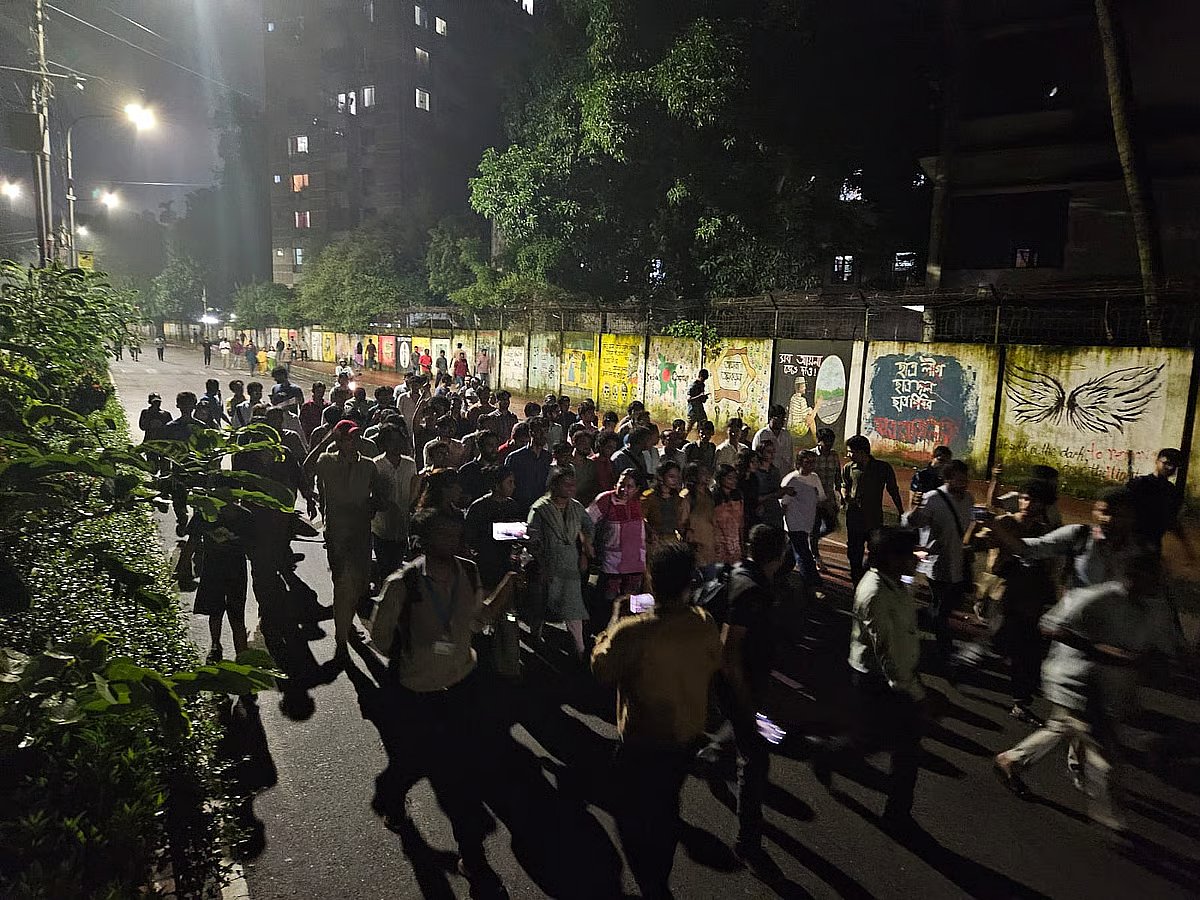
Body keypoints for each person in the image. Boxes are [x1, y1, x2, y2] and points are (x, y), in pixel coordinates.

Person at [370, 507, 510, 898]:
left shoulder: (469, 571)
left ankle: (472, 857)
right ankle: (392, 796)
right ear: (421, 540)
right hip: (418, 695)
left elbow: (477, 621)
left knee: (460, 779)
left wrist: (509, 588)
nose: (451, 541)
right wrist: (420, 647)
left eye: (455, 533)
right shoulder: (403, 584)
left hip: (463, 688)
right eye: (442, 535)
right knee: (417, 763)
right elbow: (380, 641)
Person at [993, 556, 1172, 831]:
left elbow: (1153, 650)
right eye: (1154, 577)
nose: (1160, 584)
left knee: (1062, 726)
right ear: (1134, 575)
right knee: (1104, 750)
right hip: (1074, 681)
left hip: (1104, 688)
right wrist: (1097, 650)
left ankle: (1011, 760)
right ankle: (1111, 818)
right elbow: (1050, 625)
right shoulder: (1098, 597)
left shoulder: (1152, 610)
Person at [590, 541, 722, 900]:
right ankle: (658, 879)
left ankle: (651, 884)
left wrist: (613, 624)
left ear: (651, 580)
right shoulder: (704, 622)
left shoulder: (632, 631)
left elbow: (602, 670)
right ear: (689, 585)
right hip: (684, 738)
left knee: (632, 814)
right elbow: (714, 661)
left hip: (641, 742)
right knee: (666, 805)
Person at [720, 524, 790, 866]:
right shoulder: (753, 591)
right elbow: (731, 648)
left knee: (740, 737)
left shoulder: (740, 573)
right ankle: (747, 839)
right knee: (755, 760)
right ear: (778, 555)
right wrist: (746, 701)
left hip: (736, 682)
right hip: (743, 683)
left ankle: (714, 750)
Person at [970, 480, 1057, 723]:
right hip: (1001, 596)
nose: (1027, 504)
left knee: (1027, 653)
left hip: (1029, 598)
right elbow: (975, 543)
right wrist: (981, 525)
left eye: (1033, 500)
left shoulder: (1044, 531)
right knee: (1005, 643)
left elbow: (1049, 565)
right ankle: (973, 655)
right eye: (1024, 498)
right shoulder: (1006, 523)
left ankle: (1020, 702)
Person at [304, 419, 387, 662]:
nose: (355, 441)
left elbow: (380, 497)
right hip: (337, 535)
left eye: (357, 437)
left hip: (361, 534)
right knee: (342, 582)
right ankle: (343, 638)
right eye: (349, 437)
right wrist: (325, 441)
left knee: (359, 585)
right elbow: (307, 469)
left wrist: (375, 504)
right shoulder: (327, 461)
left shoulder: (369, 466)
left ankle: (346, 622)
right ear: (339, 441)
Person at [904, 458, 975, 670]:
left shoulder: (969, 499)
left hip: (959, 561)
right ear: (948, 479)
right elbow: (912, 523)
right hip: (937, 562)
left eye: (966, 480)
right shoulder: (933, 498)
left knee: (947, 605)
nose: (964, 484)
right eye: (959, 480)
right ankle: (944, 652)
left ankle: (912, 617)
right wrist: (915, 508)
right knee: (942, 611)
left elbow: (970, 525)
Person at [526, 468, 594, 658]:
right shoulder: (540, 508)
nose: (571, 488)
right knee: (540, 604)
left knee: (573, 605)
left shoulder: (576, 508)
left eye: (573, 485)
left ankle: (580, 649)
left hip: (570, 562)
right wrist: (540, 562)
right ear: (554, 485)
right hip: (547, 562)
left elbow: (588, 527)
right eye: (567, 484)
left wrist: (585, 549)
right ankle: (535, 636)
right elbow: (532, 538)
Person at [189, 500, 251, 663]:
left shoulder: (205, 514)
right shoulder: (244, 516)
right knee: (225, 613)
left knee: (226, 613)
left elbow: (192, 541)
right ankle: (234, 651)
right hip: (227, 571)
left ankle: (227, 649)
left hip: (220, 571)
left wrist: (183, 565)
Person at [841, 435, 903, 583]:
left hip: (873, 518)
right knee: (854, 551)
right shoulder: (848, 468)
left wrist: (901, 510)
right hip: (854, 517)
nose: (848, 455)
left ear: (862, 452)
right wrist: (845, 496)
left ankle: (868, 576)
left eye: (851, 451)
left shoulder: (883, 468)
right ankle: (857, 579)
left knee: (876, 550)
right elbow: (845, 485)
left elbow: (893, 489)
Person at [588, 470, 647, 603]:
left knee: (631, 602)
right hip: (612, 563)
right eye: (621, 484)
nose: (623, 489)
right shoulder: (605, 500)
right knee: (608, 599)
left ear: (637, 489)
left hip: (636, 562)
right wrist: (588, 544)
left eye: (629, 486)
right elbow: (586, 521)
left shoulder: (641, 502)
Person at [372, 424, 419, 582]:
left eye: (400, 440)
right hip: (381, 528)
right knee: (385, 569)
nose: (397, 444)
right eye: (392, 441)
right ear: (384, 443)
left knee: (397, 568)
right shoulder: (376, 465)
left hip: (402, 527)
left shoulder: (410, 464)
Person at [464, 465, 521, 591]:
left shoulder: (512, 505)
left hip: (507, 562)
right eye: (509, 482)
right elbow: (473, 536)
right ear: (496, 485)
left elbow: (518, 533)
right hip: (486, 564)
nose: (513, 486)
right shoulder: (479, 507)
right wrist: (511, 531)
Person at [1127, 447, 1191, 555]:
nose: (1170, 468)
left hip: (1153, 545)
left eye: (1174, 466)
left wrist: (1186, 547)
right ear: (1157, 461)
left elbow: (1172, 521)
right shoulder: (1139, 484)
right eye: (1167, 463)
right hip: (1130, 541)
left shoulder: (1172, 492)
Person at [780, 450, 826, 584]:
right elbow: (784, 502)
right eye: (807, 462)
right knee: (803, 552)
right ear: (799, 462)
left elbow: (821, 497)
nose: (811, 466)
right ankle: (811, 581)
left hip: (807, 521)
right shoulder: (792, 479)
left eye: (813, 462)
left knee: (791, 552)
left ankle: (779, 573)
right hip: (794, 522)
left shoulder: (815, 478)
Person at [987, 464, 1064, 528]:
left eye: (1035, 501)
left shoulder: (1051, 511)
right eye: (1026, 499)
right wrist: (995, 479)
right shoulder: (1017, 498)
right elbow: (993, 502)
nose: (1028, 505)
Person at [810, 428, 843, 573]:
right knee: (815, 527)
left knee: (831, 525)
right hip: (814, 499)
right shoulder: (811, 456)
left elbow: (837, 475)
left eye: (831, 442)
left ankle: (813, 539)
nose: (829, 445)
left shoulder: (834, 456)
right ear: (819, 442)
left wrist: (839, 493)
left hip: (829, 498)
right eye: (826, 442)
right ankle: (815, 556)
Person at [507, 417, 553, 514]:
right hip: (518, 508)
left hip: (539, 509)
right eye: (539, 431)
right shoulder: (515, 458)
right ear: (531, 432)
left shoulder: (547, 457)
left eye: (545, 431)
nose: (544, 435)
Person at [642, 460, 690, 549]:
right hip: (654, 542)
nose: (675, 480)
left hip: (672, 542)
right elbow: (640, 518)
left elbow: (680, 523)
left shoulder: (678, 499)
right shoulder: (650, 497)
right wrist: (650, 531)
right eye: (671, 476)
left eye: (677, 477)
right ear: (661, 477)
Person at [681, 463, 716, 566]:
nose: (708, 476)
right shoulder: (687, 497)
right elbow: (682, 523)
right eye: (703, 473)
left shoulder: (709, 495)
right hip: (696, 548)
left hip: (709, 546)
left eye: (708, 473)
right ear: (694, 476)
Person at [712, 463, 745, 564]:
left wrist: (742, 543)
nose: (734, 481)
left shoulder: (737, 496)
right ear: (720, 479)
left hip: (735, 542)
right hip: (719, 542)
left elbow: (741, 522)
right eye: (730, 478)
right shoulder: (714, 498)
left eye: (735, 478)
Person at [457, 430, 501, 506]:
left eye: (496, 445)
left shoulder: (499, 469)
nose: (494, 449)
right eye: (490, 445)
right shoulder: (467, 470)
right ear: (480, 446)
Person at [752, 405, 793, 474]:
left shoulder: (786, 435)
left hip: (783, 474)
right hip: (765, 474)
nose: (781, 421)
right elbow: (755, 456)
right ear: (770, 418)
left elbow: (790, 456)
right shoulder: (762, 435)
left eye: (783, 418)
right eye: (778, 418)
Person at [568, 428, 599, 506]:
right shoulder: (566, 464)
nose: (587, 446)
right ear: (574, 443)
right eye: (583, 442)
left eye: (589, 443)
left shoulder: (591, 465)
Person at [686, 369, 710, 435]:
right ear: (699, 376)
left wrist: (704, 398)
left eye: (705, 379)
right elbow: (689, 399)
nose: (703, 380)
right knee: (688, 429)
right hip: (692, 410)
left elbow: (702, 400)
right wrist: (699, 396)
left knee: (703, 426)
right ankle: (681, 442)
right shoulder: (693, 386)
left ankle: (699, 441)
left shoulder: (702, 385)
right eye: (703, 378)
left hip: (700, 410)